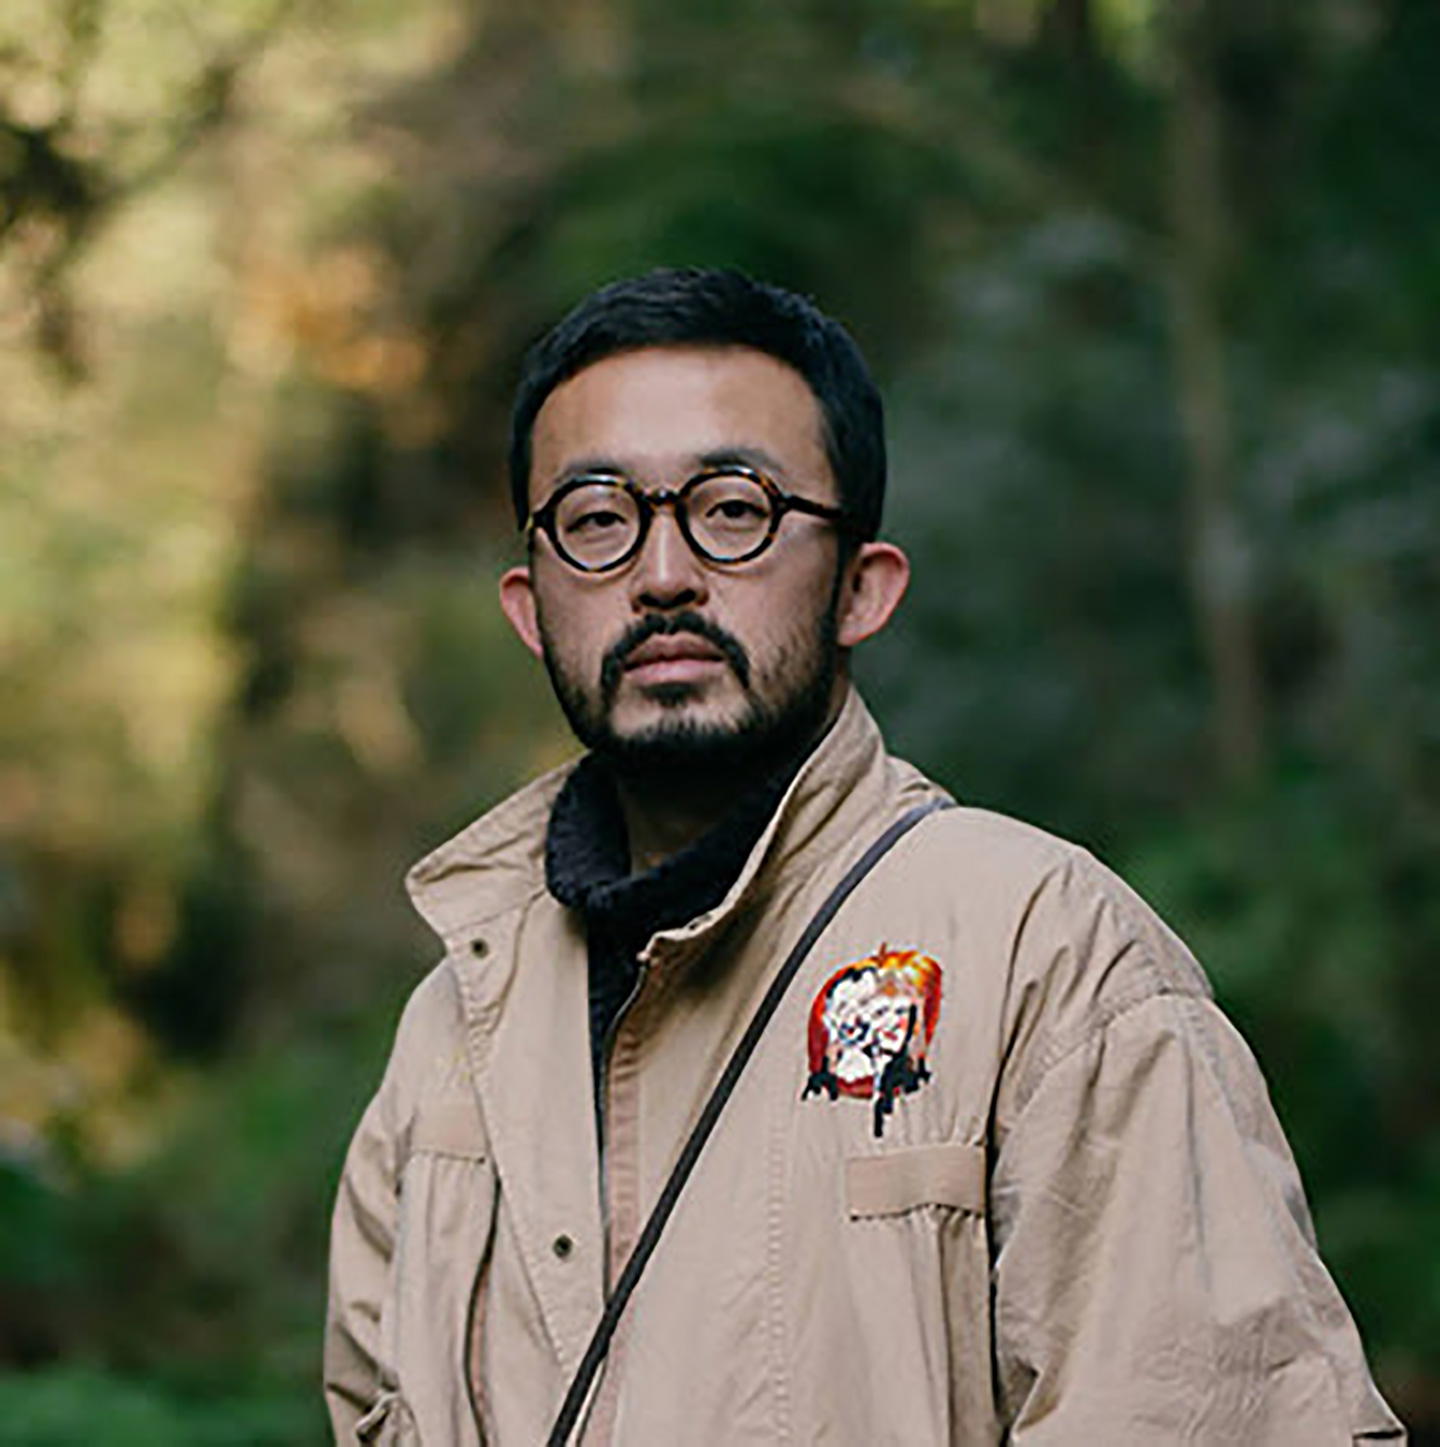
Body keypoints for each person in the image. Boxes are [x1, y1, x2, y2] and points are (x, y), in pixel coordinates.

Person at [324, 267, 1404, 1445]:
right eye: (596, 520)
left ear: (861, 588)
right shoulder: (452, 1035)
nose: (663, 573)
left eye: (734, 508)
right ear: (531, 607)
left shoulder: (1048, 956)